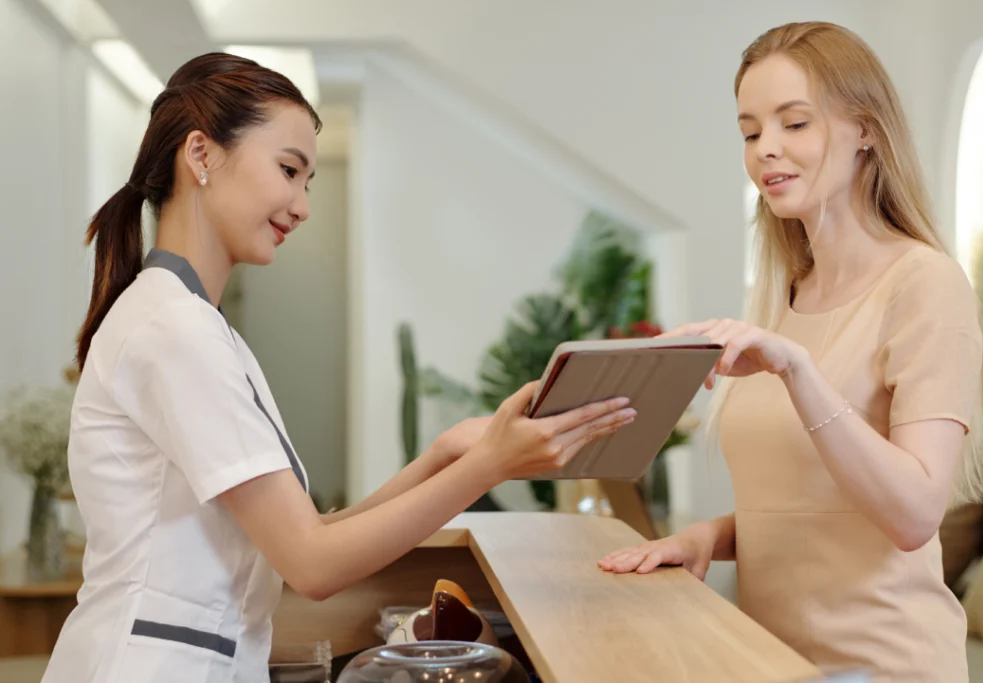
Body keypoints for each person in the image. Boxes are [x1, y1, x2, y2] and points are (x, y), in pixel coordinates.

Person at [43, 53, 637, 683]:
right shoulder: (173, 328)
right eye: (288, 170)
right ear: (201, 155)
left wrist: (444, 457)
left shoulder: (199, 327)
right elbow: (313, 564)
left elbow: (308, 533)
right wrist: (491, 465)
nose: (301, 206)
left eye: (308, 183)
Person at [598, 21, 983, 683]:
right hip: (772, 661)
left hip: (885, 665)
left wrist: (796, 371)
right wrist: (708, 538)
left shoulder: (926, 284)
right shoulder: (788, 295)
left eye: (794, 124)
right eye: (750, 132)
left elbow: (914, 513)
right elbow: (811, 506)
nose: (766, 151)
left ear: (865, 129)